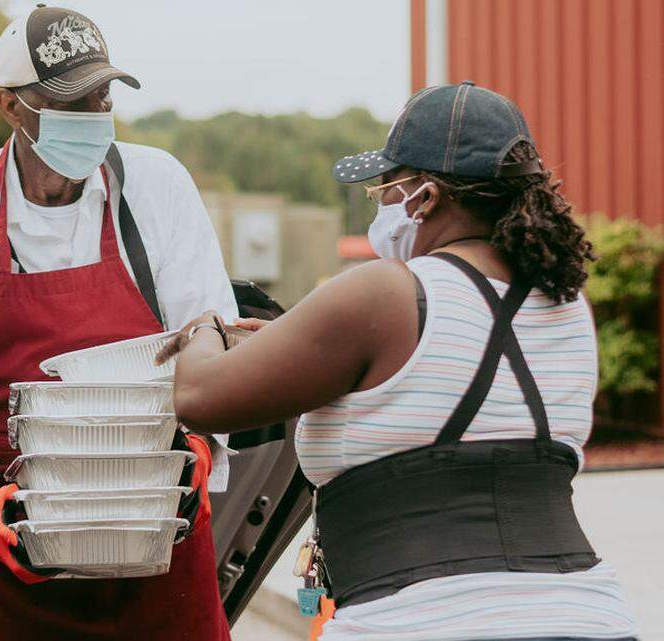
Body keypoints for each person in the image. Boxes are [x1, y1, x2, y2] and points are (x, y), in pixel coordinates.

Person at [160, 82, 638, 641]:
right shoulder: (568, 302)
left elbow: (199, 399)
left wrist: (202, 325)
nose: (380, 206)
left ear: (425, 197)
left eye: (384, 190)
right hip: (590, 617)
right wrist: (295, 349)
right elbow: (441, 390)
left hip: (423, 622)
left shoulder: (386, 293)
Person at [0, 5, 235, 640]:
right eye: (69, 103)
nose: (92, 117)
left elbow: (210, 335)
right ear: (10, 107)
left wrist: (207, 449)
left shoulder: (158, 188)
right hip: (15, 560)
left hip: (160, 544)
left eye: (102, 97)